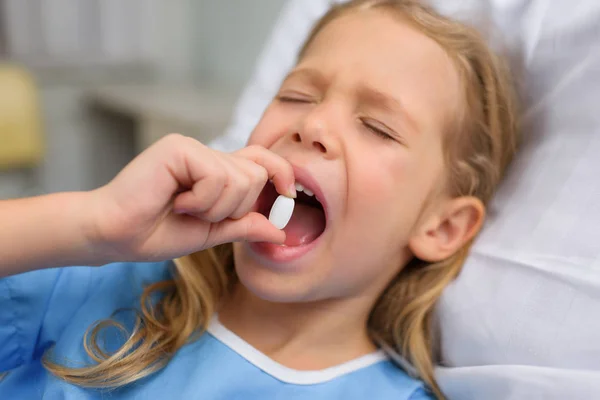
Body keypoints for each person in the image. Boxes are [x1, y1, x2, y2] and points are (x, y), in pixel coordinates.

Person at [0, 1, 518, 399]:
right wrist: (93, 224)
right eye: (296, 96)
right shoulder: (114, 280)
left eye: (377, 127)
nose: (311, 125)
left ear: (442, 227)